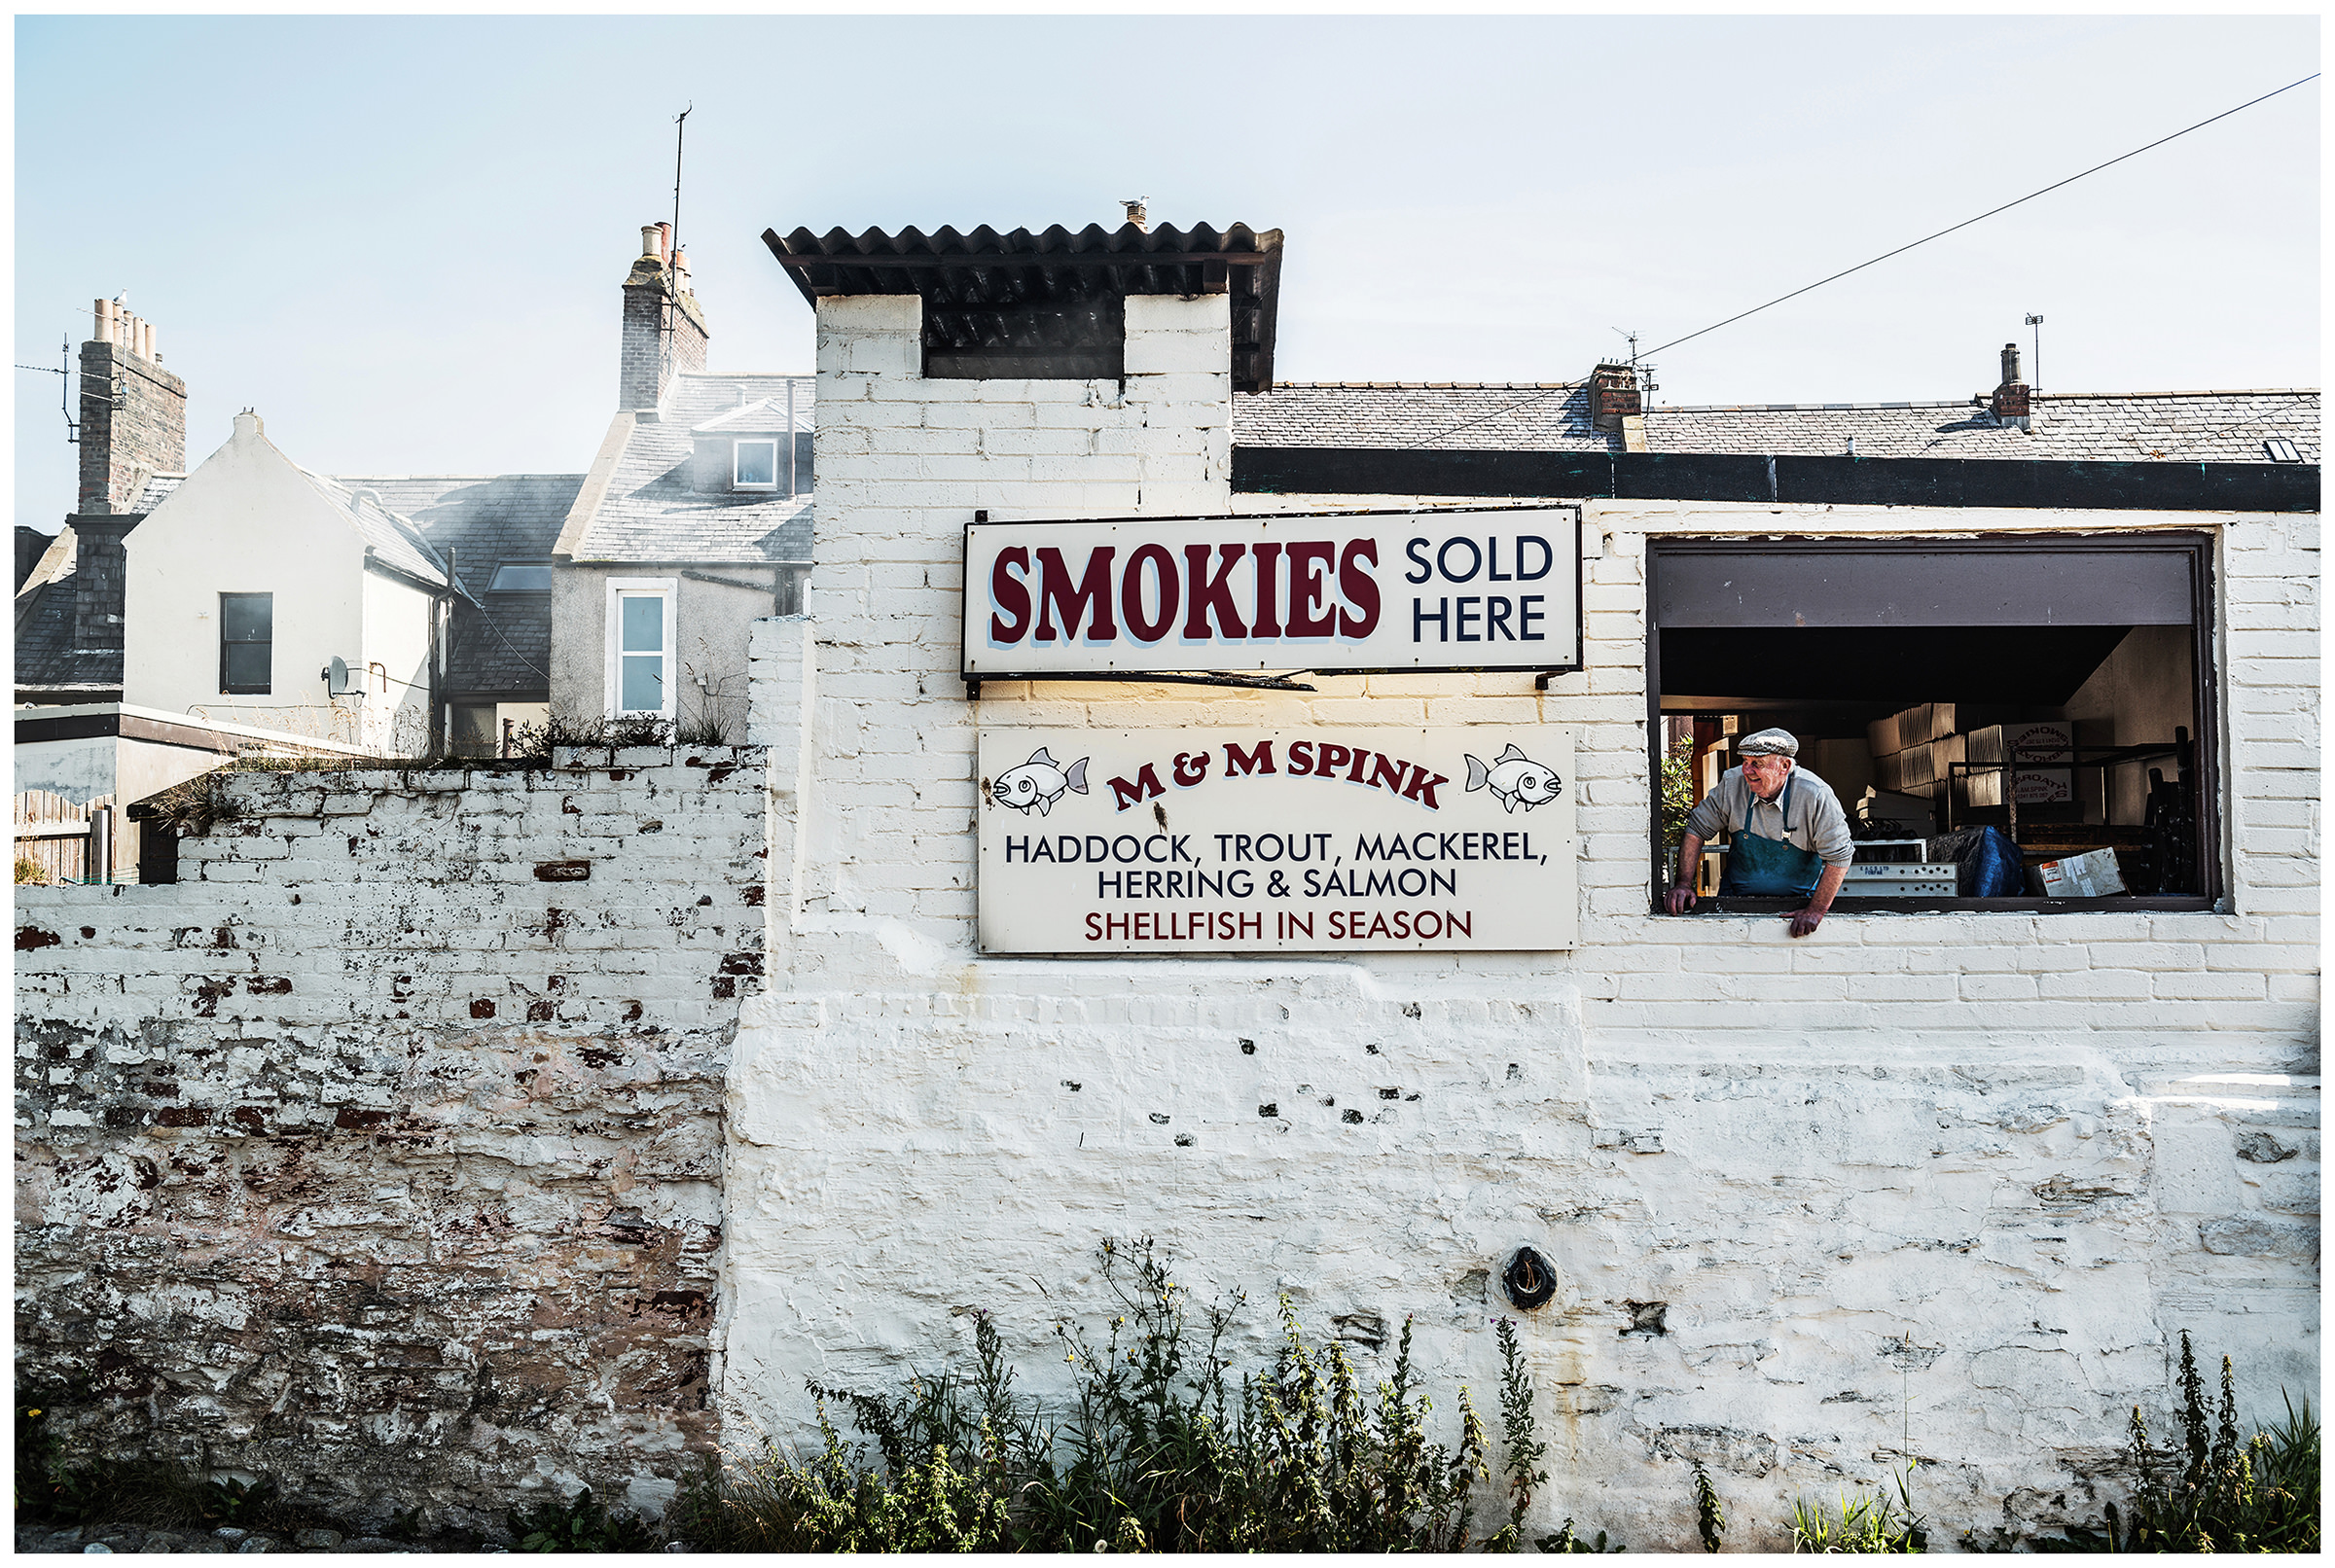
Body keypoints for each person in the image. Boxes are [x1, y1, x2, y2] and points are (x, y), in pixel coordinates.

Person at [1664, 728, 1854, 938]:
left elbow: (1840, 856)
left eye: (1757, 764)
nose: (1747, 770)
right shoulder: (1732, 783)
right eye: (1745, 762)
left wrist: (1816, 910)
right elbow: (1696, 829)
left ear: (1785, 766)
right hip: (1734, 901)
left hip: (1796, 906)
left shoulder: (1815, 795)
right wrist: (1683, 883)